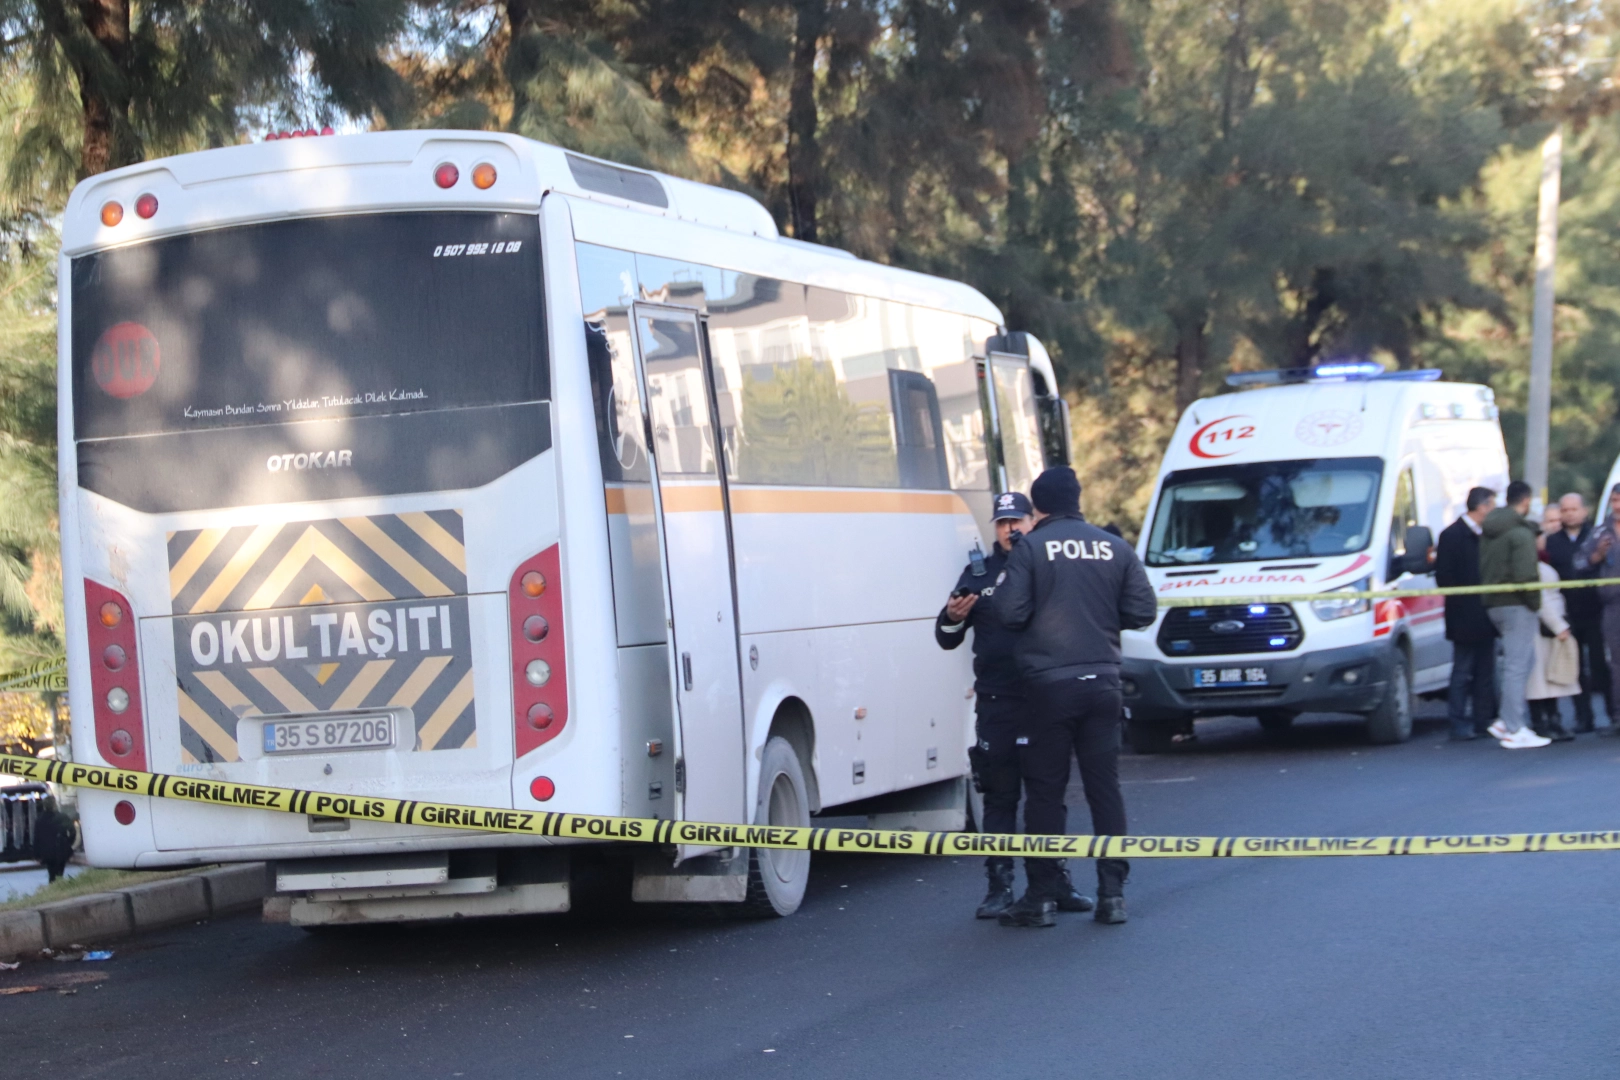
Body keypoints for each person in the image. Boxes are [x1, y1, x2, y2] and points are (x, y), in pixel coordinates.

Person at [987, 466, 1158, 928]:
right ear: (1078, 499)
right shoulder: (1113, 545)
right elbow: (1143, 610)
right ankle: (1113, 894)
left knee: (1045, 790)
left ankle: (1041, 896)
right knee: (1106, 788)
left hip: (1048, 685)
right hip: (1103, 680)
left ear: (1037, 507)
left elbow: (1009, 611)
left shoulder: (1031, 549)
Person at [935, 491, 1093, 919]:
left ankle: (1054, 880)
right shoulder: (978, 573)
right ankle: (999, 885)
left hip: (1045, 701)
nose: (1011, 529)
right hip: (999, 701)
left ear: (1032, 520)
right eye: (1002, 523)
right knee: (1000, 795)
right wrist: (951, 616)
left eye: (1017, 520)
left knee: (1048, 794)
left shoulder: (1048, 564)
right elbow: (946, 636)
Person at [1479, 481, 1552, 749]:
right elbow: (1526, 576)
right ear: (1526, 501)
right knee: (1516, 665)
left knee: (1523, 660)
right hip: (1516, 604)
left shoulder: (1490, 530)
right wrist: (1535, 603)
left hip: (1494, 603)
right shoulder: (1519, 535)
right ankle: (1514, 728)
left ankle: (1504, 720)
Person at [1434, 487, 1498, 741]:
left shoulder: (1488, 535)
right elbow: (1444, 577)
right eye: (1492, 506)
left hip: (1487, 614)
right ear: (1481, 507)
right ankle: (1458, 722)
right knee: (1462, 671)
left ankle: (1483, 721)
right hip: (1463, 615)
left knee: (1485, 672)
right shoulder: (1452, 535)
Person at [1545, 492, 1611, 732]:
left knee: (1600, 666)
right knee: (1575, 668)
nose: (1569, 514)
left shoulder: (1597, 536)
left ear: (1584, 511)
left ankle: (1612, 714)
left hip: (1596, 608)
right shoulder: (1552, 541)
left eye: (1574, 509)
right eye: (1564, 509)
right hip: (1567, 611)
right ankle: (1584, 717)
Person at [1528, 508, 1578, 741]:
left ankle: (1550, 720)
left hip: (1547, 626)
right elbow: (1542, 600)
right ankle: (1543, 722)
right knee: (1541, 678)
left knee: (1547, 676)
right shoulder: (1535, 567)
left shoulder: (1540, 563)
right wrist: (1559, 626)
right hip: (1543, 628)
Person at [1575, 484, 1620, 736]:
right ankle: (1617, 714)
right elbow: (1579, 563)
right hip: (1612, 607)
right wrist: (1597, 557)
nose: (1617, 506)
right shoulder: (1600, 532)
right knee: (1616, 663)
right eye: (1614, 500)